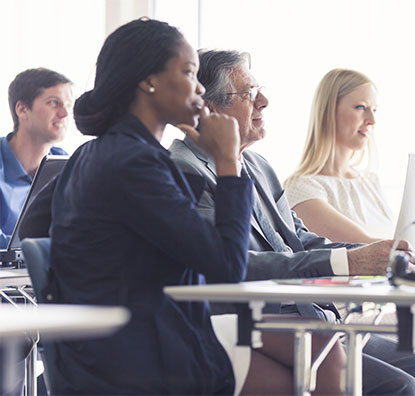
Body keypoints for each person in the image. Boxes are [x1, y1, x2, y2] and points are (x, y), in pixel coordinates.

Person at [19, 19, 344, 396]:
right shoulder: (134, 163)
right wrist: (227, 163)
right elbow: (227, 267)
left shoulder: (98, 153)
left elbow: (33, 230)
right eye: (189, 72)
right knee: (315, 364)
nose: (200, 88)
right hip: (135, 353)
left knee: (320, 347)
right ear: (148, 82)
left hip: (117, 341)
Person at [169, 49, 415, 396]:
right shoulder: (183, 170)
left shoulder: (259, 166)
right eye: (249, 93)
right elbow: (231, 264)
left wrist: (374, 253)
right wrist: (350, 261)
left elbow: (301, 241)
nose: (264, 100)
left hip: (320, 320)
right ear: (210, 108)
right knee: (402, 389)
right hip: (264, 328)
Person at [284, 68, 415, 396]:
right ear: (329, 111)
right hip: (364, 313)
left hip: (403, 305)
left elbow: (402, 248)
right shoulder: (303, 188)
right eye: (360, 108)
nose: (371, 119)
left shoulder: (368, 182)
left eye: (374, 110)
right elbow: (369, 250)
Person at [0, 68, 71, 248]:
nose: (65, 113)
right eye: (54, 103)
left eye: (68, 105)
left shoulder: (66, 163)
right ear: (22, 109)